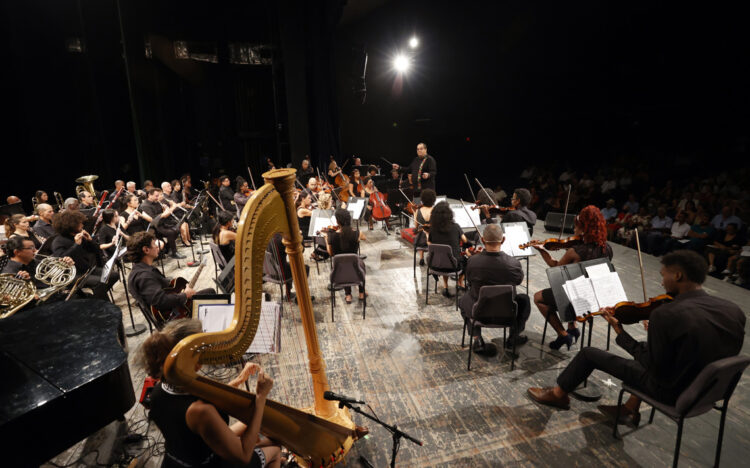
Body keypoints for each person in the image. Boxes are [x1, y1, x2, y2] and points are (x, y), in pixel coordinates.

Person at [526, 250, 746, 426]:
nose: (662, 284)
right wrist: (661, 335)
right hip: (708, 390)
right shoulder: (733, 311)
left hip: (672, 391)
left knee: (589, 354)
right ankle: (630, 409)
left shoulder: (667, 314)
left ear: (678, 275)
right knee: (656, 354)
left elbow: (652, 366)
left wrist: (620, 331)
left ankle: (558, 394)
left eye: (664, 276)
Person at [138, 319, 281, 468]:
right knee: (275, 449)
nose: (203, 358)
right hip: (209, 463)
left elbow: (207, 397)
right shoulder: (201, 412)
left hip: (184, 454)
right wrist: (261, 397)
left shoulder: (160, 388)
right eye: (199, 352)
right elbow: (244, 456)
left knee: (263, 432)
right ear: (184, 358)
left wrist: (238, 380)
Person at [532, 205, 613, 351]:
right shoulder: (607, 249)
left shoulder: (575, 251)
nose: (574, 230)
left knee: (539, 297)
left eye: (577, 226)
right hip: (595, 297)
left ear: (583, 228)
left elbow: (555, 267)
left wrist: (542, 251)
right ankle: (572, 327)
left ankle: (563, 334)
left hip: (575, 299)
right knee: (571, 283)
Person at [459, 224, 530, 353]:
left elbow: (469, 280)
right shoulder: (513, 263)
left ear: (483, 240)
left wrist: (473, 259)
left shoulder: (473, 261)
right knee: (524, 300)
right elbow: (518, 281)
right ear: (503, 240)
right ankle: (513, 336)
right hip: (507, 313)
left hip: (479, 312)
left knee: (463, 300)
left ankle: (477, 338)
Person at [127, 232, 214, 323]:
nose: (157, 246)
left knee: (209, 292)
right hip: (173, 319)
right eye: (154, 244)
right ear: (146, 250)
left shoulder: (141, 268)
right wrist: (185, 295)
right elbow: (161, 301)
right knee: (211, 294)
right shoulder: (144, 276)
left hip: (174, 308)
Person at [51, 210, 116, 300]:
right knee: (98, 283)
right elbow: (62, 259)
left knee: (113, 275)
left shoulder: (78, 235)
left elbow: (96, 249)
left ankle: (96, 298)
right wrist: (76, 245)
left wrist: (90, 240)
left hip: (87, 269)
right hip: (73, 275)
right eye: (79, 223)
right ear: (71, 225)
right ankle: (103, 304)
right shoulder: (58, 242)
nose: (82, 225)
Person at [325, 209, 367, 304]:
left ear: (337, 221)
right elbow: (364, 238)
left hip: (339, 270)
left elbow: (331, 254)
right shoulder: (357, 233)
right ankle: (361, 293)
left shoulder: (332, 236)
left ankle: (348, 295)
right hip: (355, 266)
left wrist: (327, 240)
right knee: (360, 263)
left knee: (343, 264)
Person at [1, 236, 74, 290]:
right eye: (31, 248)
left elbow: (61, 276)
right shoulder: (9, 273)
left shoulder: (37, 262)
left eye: (34, 247)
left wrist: (66, 266)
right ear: (17, 252)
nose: (35, 250)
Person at [427, 201, 467, 296]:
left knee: (444, 257)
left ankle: (445, 286)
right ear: (450, 214)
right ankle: (460, 282)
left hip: (436, 266)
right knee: (467, 260)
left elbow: (430, 243)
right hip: (454, 266)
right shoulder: (455, 227)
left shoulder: (432, 229)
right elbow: (465, 240)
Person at [142, 188, 185, 259]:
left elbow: (162, 214)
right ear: (150, 195)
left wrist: (165, 209)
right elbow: (154, 219)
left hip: (162, 223)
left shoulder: (157, 202)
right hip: (154, 226)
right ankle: (174, 252)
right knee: (170, 232)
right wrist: (166, 211)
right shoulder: (145, 205)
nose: (158, 197)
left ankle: (169, 248)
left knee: (177, 229)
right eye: (156, 196)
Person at [414, 189, 436, 266]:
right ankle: (432, 257)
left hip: (420, 241)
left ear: (422, 199)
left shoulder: (418, 211)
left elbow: (416, 226)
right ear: (433, 199)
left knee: (420, 232)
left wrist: (414, 214)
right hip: (433, 239)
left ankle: (421, 258)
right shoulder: (435, 210)